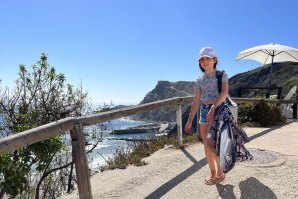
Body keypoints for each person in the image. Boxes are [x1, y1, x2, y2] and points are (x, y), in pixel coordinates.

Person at [185, 47, 229, 185]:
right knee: (206, 146)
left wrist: (213, 108)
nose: (204, 61)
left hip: (217, 111)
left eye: (207, 58)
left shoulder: (221, 75)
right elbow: (196, 100)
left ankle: (221, 173)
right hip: (204, 112)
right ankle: (213, 173)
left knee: (211, 146)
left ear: (214, 60)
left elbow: (224, 94)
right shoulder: (199, 80)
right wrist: (190, 120)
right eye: (202, 59)